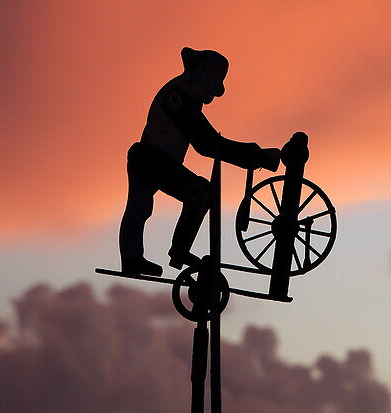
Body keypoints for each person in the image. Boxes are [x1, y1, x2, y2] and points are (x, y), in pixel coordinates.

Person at [119, 47, 280, 276]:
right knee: (199, 194)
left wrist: (252, 156)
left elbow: (206, 141)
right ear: (203, 76)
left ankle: (138, 257)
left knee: (140, 207)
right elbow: (205, 143)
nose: (215, 94)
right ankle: (173, 252)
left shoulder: (184, 96)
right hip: (152, 160)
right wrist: (255, 155)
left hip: (149, 158)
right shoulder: (179, 98)